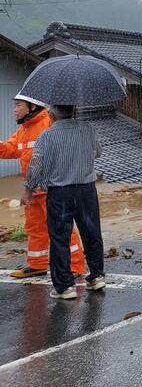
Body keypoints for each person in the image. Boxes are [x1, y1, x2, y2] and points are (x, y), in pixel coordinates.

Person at [0, 94, 85, 279]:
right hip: (34, 191)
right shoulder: (24, 130)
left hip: (52, 189)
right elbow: (10, 149)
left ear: (32, 107)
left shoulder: (49, 123)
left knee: (62, 229)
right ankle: (36, 264)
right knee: (34, 228)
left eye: (18, 105)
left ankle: (75, 266)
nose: (15, 110)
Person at [25, 105, 104, 300]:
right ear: (73, 111)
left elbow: (36, 164)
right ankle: (96, 276)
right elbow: (98, 153)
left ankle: (64, 287)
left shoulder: (46, 135)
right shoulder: (87, 128)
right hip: (86, 189)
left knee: (60, 238)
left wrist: (29, 188)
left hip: (59, 193)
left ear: (51, 115)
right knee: (92, 232)